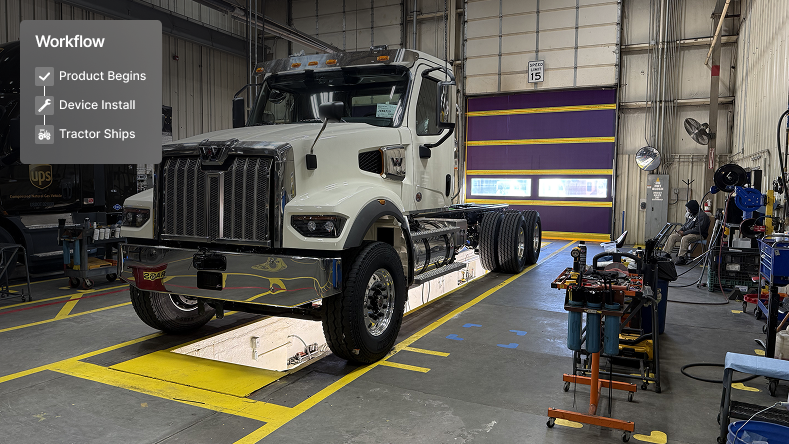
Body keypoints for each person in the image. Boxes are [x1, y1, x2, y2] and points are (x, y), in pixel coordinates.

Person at [662, 200, 710, 265]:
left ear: (693, 208)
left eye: (688, 209)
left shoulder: (702, 216)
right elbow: (686, 225)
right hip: (689, 233)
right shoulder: (692, 214)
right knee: (673, 236)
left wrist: (684, 233)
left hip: (699, 234)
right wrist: (680, 230)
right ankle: (667, 254)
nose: (688, 210)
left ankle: (681, 258)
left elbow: (698, 229)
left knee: (685, 238)